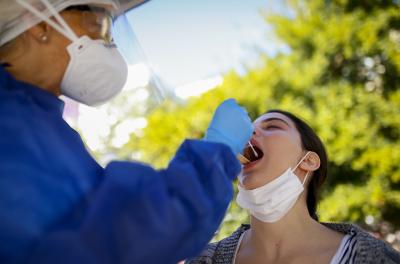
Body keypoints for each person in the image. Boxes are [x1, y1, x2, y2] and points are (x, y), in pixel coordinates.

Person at [0, 0, 254, 263]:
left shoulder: (37, 118)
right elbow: (113, 239)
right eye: (97, 23)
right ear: (39, 24)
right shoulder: (12, 126)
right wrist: (216, 153)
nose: (108, 44)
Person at [186, 109, 400, 264]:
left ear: (308, 161)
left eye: (272, 126)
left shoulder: (373, 258)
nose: (247, 134)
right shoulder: (204, 260)